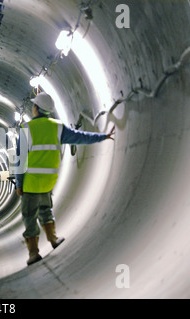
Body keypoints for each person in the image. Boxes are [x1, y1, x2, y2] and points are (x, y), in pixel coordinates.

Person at [15, 92, 115, 265]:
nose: (32, 108)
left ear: (37, 109)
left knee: (30, 215)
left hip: (31, 182)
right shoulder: (58, 127)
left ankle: (33, 253)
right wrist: (102, 136)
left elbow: (20, 160)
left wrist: (19, 183)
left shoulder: (26, 129)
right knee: (46, 210)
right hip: (49, 180)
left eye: (33, 106)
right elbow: (80, 137)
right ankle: (53, 239)